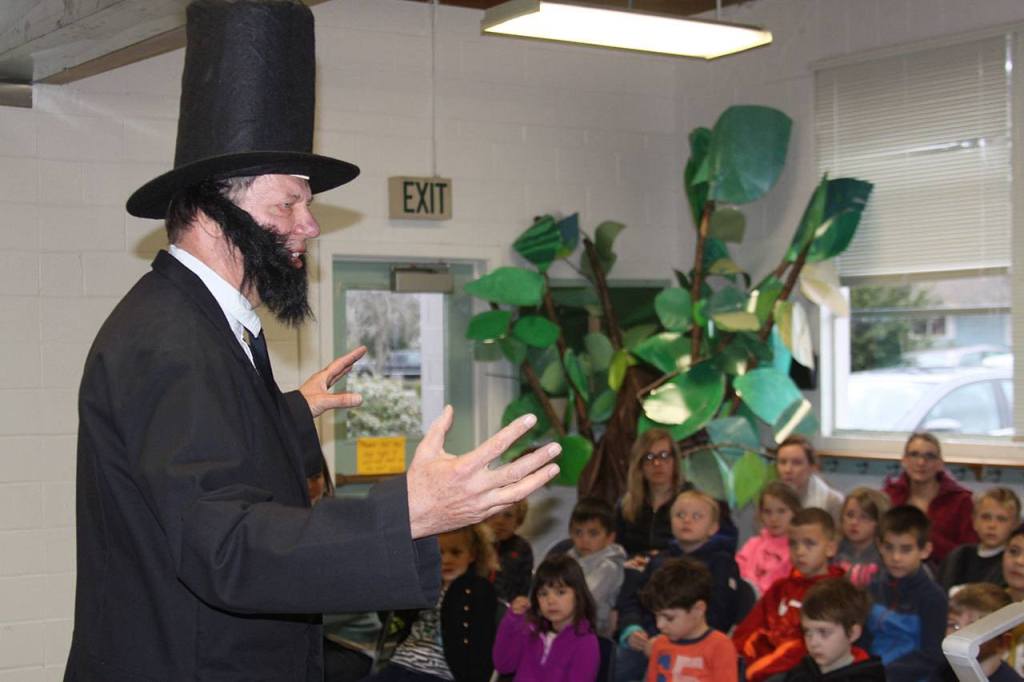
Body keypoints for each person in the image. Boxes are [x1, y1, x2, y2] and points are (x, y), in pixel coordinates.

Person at [66, 2, 560, 680]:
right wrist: (408, 514)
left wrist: (287, 414)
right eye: (287, 204)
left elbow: (203, 461)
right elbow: (225, 545)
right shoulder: (170, 343)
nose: (310, 225)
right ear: (213, 214)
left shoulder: (201, 325)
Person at [616, 490, 741, 682]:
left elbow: (720, 611)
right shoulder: (657, 560)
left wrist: (676, 635)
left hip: (695, 639)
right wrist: (633, 628)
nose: (687, 520)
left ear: (713, 527)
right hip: (649, 640)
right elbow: (635, 599)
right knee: (622, 660)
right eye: (680, 514)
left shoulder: (721, 563)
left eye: (696, 516)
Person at [367, 525, 498, 682]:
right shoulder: (426, 585)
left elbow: (481, 642)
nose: (446, 559)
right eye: (439, 553)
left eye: (456, 552)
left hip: (439, 673)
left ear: (472, 555)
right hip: (400, 662)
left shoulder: (479, 588)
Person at [732, 508, 844, 682]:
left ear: (830, 548)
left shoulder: (835, 591)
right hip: (760, 665)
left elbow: (810, 648)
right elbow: (747, 629)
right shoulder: (780, 588)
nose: (799, 552)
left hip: (800, 670)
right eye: (793, 544)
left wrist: (756, 670)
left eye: (809, 544)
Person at [615, 429, 736, 560]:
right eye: (649, 457)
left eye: (664, 456)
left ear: (675, 460)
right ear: (639, 464)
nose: (657, 463)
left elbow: (726, 542)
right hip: (634, 573)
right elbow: (615, 548)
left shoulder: (697, 500)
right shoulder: (626, 505)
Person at [863, 505, 947, 681]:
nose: (896, 557)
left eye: (906, 549)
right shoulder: (872, 589)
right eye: (889, 547)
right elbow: (863, 640)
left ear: (925, 551)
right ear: (879, 545)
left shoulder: (934, 597)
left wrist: (884, 675)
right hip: (871, 672)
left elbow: (932, 655)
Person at [492, 554, 600, 682]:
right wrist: (511, 620)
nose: (550, 600)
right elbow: (503, 665)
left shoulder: (586, 642)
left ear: (578, 595)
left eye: (560, 592)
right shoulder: (529, 629)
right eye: (543, 594)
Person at [882, 432, 977, 565]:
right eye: (914, 455)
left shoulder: (961, 501)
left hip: (945, 575)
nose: (921, 462)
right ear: (904, 460)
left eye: (929, 456)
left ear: (940, 464)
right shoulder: (889, 496)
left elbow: (969, 554)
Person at [639, 556, 739, 682]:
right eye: (656, 616)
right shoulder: (660, 644)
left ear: (698, 609)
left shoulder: (720, 647)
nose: (659, 625)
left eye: (669, 618)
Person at [766, 578, 885, 682]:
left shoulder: (868, 677)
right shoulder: (801, 673)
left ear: (853, 633)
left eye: (824, 632)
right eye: (807, 632)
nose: (813, 643)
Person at [929, 582, 1023, 682]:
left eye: (973, 627)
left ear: (1003, 642)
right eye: (953, 625)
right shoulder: (944, 672)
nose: (958, 634)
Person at [940, 486, 1021, 594]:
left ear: (1015, 524)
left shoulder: (1010, 565)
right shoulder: (958, 555)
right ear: (974, 521)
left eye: (1001, 519)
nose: (992, 525)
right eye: (986, 517)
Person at [566, 496, 626, 637]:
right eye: (578, 532)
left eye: (593, 533)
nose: (584, 539)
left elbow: (585, 601)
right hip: (564, 622)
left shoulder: (609, 567)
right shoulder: (569, 556)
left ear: (610, 537)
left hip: (592, 633)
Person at [737, 480, 801, 596]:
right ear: (761, 514)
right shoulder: (753, 544)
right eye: (768, 512)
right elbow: (737, 572)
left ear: (795, 513)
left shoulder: (797, 549)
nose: (774, 518)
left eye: (781, 511)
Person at [774, 435, 844, 523]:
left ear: (812, 467)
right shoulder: (770, 499)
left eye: (796, 463)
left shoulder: (833, 501)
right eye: (782, 462)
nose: (787, 470)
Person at [833, 487, 890, 588]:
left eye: (864, 517)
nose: (854, 522)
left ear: (879, 522)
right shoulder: (833, 549)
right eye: (850, 515)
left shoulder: (885, 557)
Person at [486, 499, 535, 603]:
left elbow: (524, 588)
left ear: (518, 522)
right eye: (494, 514)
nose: (500, 521)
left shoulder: (522, 548)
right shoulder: (475, 544)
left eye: (508, 515)